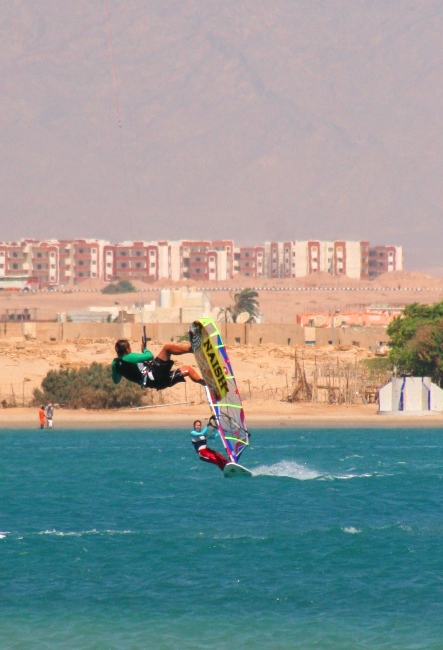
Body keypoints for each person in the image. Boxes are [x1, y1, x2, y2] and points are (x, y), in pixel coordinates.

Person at [112, 338, 205, 390]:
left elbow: (116, 381)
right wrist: (144, 349)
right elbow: (150, 356)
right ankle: (192, 349)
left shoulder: (115, 364)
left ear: (117, 350)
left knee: (188, 370)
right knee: (167, 348)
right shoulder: (130, 357)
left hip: (158, 383)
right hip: (155, 374)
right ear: (128, 349)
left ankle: (204, 384)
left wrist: (123, 371)